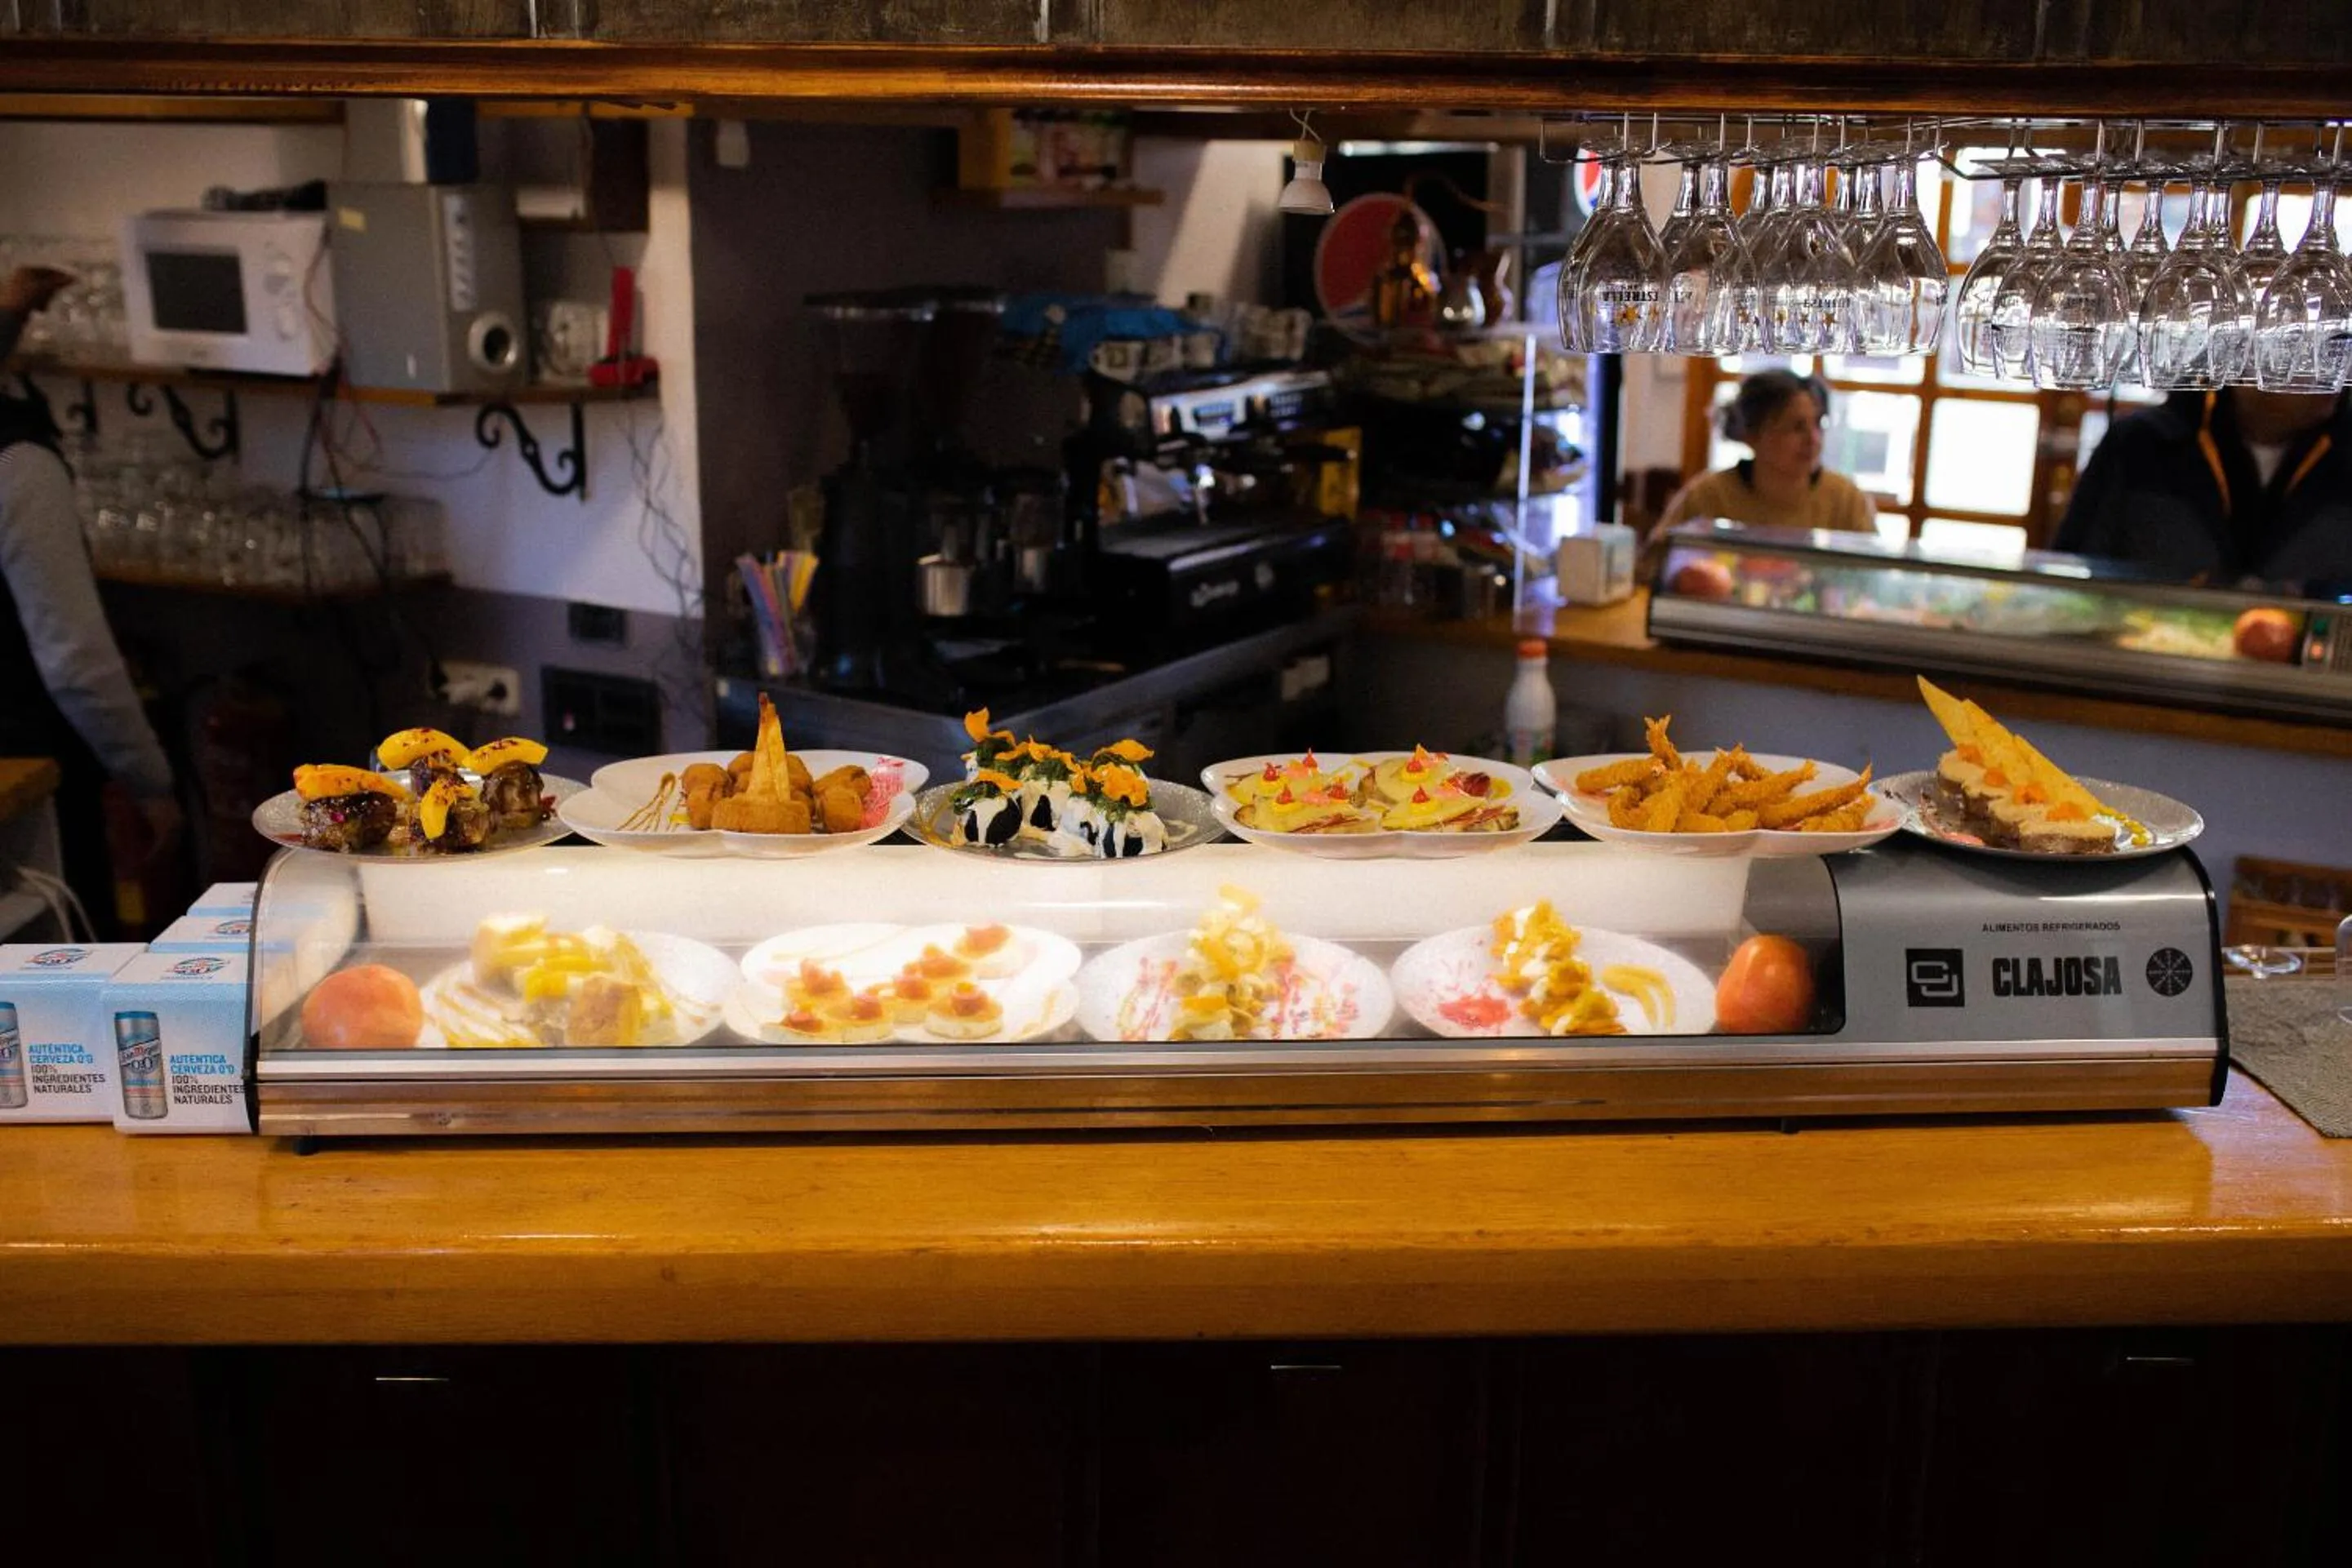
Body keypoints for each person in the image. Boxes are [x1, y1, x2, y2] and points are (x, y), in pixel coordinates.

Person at [0, 265, 182, 932]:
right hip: (30, 785)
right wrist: (150, 782)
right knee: (59, 998)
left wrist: (14, 306)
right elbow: (74, 658)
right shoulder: (19, 465)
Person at [2055, 388, 2352, 597]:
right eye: (2309, 348)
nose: (2338, 366)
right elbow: (2069, 577)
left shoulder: (2345, 455)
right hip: (2151, 666)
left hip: (2301, 678)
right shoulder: (2140, 445)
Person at [1655, 370, 1878, 538]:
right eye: (1797, 427)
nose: (1813, 439)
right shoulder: (1708, 495)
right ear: (1752, 436)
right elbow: (1654, 565)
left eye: (1818, 424)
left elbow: (1873, 579)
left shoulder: (1847, 500)